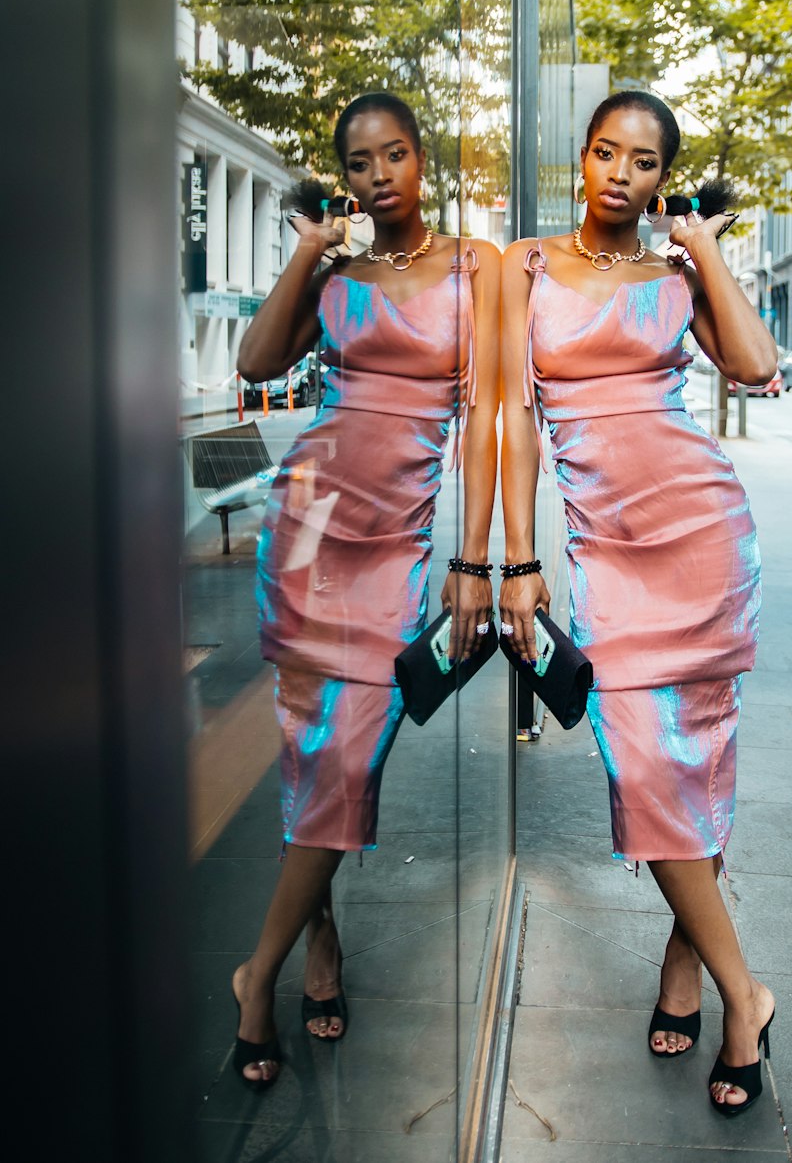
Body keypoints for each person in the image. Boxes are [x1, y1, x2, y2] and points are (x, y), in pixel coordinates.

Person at [499, 90, 778, 1116]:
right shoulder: (524, 269)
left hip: (705, 535)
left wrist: (703, 248)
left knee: (696, 755)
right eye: (606, 151)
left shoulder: (672, 275)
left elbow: (753, 365)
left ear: (665, 179)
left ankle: (693, 971)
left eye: (645, 161)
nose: (621, 171)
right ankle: (747, 991)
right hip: (608, 556)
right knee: (644, 765)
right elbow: (516, 419)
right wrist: (515, 556)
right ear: (582, 156)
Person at [231, 92, 500, 1088]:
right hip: (305, 523)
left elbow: (484, 416)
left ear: (422, 161)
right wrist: (307, 250)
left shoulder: (475, 271)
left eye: (394, 154)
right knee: (314, 748)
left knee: (349, 751)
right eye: (358, 162)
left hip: (394, 540)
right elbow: (258, 361)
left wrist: (478, 556)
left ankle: (252, 972)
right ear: (343, 177)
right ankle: (311, 947)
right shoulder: (336, 272)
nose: (378, 173)